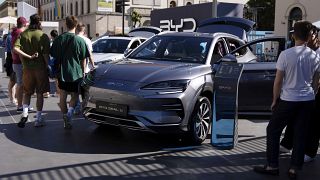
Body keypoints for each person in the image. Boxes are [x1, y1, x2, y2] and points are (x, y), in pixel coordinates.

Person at [253, 21, 320, 179]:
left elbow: (278, 81)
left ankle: (272, 165)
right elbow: (316, 82)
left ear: (293, 35)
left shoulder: (285, 54)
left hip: (289, 99)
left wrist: (275, 100)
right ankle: (294, 169)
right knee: (300, 133)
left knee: (273, 129)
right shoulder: (314, 56)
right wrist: (311, 94)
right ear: (308, 36)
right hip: (308, 99)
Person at [280, 25, 320, 162]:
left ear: (315, 36)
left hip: (314, 93)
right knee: (294, 118)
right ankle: (287, 143)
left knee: (314, 123)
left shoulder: (316, 53)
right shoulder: (301, 51)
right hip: (303, 94)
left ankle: (310, 151)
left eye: (312, 35)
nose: (309, 39)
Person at [50, 16, 89, 129]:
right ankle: (69, 114)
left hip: (62, 72)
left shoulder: (59, 39)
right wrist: (82, 72)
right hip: (76, 73)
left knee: (62, 96)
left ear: (66, 25)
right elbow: (83, 59)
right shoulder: (80, 40)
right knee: (75, 95)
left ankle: (65, 117)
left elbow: (53, 55)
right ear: (76, 25)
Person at [14, 14, 51, 128]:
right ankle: (38, 118)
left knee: (27, 93)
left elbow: (15, 48)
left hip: (27, 69)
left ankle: (25, 113)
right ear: (39, 22)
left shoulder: (23, 34)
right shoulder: (43, 35)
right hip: (40, 69)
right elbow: (45, 55)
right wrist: (47, 66)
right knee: (40, 93)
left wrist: (28, 57)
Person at [75, 23, 95, 115]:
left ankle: (76, 107)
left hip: (73, 69)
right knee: (85, 90)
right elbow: (89, 55)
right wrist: (93, 65)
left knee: (74, 91)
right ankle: (84, 107)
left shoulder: (73, 39)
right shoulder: (86, 40)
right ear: (84, 31)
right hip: (84, 69)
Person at [11, 17, 28, 112]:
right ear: (25, 24)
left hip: (16, 62)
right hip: (20, 62)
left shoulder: (15, 32)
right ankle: (20, 106)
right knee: (21, 84)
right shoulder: (19, 33)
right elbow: (18, 49)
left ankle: (23, 105)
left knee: (21, 84)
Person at [5, 32, 16, 105]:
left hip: (11, 58)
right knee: (12, 80)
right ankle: (12, 99)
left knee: (13, 80)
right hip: (12, 59)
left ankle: (13, 98)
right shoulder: (11, 37)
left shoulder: (10, 36)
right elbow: (12, 50)